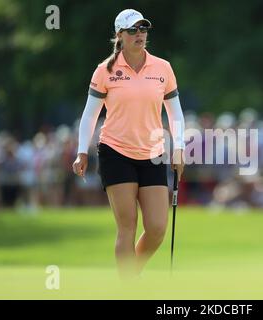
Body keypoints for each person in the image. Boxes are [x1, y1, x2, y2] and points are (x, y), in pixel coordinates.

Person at [72, 9, 185, 278]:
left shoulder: (163, 68)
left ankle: (131, 273)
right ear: (120, 35)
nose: (140, 35)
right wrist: (81, 151)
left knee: (157, 227)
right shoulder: (105, 70)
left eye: (143, 29)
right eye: (133, 30)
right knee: (127, 226)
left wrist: (179, 147)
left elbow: (175, 113)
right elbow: (90, 114)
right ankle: (128, 288)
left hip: (153, 153)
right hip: (115, 152)